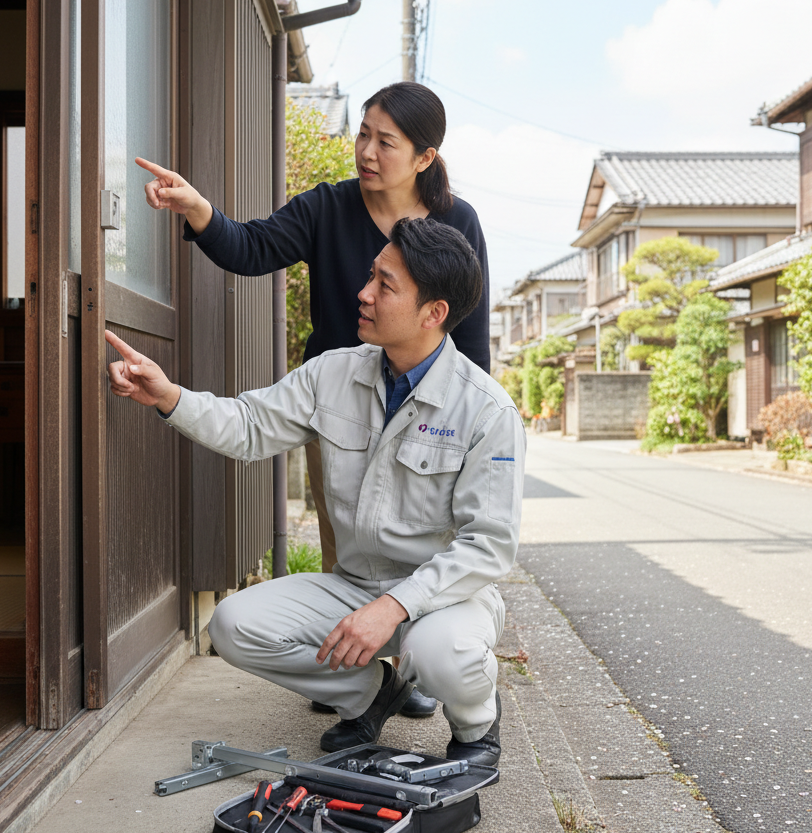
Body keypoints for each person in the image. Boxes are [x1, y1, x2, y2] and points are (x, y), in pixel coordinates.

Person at [105, 218, 523, 765]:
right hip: (353, 588)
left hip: (445, 597)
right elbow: (249, 426)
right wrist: (169, 397)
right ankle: (373, 696)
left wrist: (396, 607)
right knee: (233, 626)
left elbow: (489, 544)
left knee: (441, 652)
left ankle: (475, 731)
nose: (364, 293)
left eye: (385, 285)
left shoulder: (486, 410)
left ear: (433, 313)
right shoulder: (332, 373)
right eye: (372, 276)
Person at [136, 81, 490, 720]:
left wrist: (475, 425)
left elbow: (469, 328)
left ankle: (417, 664)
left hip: (430, 406)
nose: (367, 151)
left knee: (432, 541)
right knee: (347, 546)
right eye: (363, 133)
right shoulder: (328, 207)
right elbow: (251, 247)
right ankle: (356, 680)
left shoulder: (456, 222)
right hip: (341, 405)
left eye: (386, 141)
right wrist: (197, 210)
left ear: (424, 157)